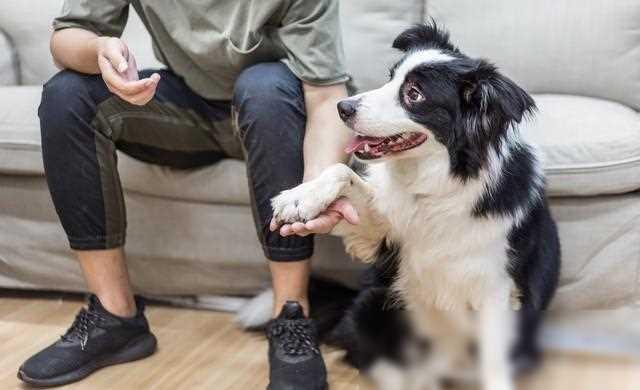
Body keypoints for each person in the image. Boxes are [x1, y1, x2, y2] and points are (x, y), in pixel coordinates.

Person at [17, 1, 359, 389]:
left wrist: (315, 188)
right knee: (67, 94)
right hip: (188, 110)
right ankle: (115, 317)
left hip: (279, 107)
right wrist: (98, 50)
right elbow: (66, 36)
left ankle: (292, 319)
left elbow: (325, 95)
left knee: (263, 85)